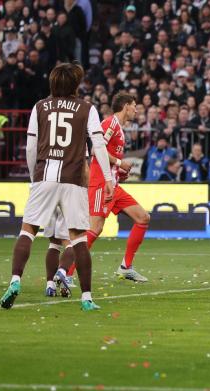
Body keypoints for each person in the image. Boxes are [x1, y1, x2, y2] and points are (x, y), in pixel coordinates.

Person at [0, 62, 114, 311]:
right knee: (78, 240)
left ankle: (15, 280)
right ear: (75, 84)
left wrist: (34, 178)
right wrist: (108, 178)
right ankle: (86, 299)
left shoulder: (39, 107)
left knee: (27, 231)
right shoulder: (87, 108)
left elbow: (31, 147)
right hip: (74, 179)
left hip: (45, 176)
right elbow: (98, 145)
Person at [69, 92, 151, 282]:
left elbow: (108, 157)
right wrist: (119, 163)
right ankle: (67, 272)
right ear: (125, 106)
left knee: (143, 218)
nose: (136, 110)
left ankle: (126, 267)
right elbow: (96, 150)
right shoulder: (109, 124)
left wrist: (120, 171)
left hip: (113, 185)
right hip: (100, 184)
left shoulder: (120, 129)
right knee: (95, 228)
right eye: (134, 105)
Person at [43, 208, 75, 297]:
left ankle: (50, 287)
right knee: (73, 243)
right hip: (67, 200)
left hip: (50, 200)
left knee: (54, 244)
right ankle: (62, 272)